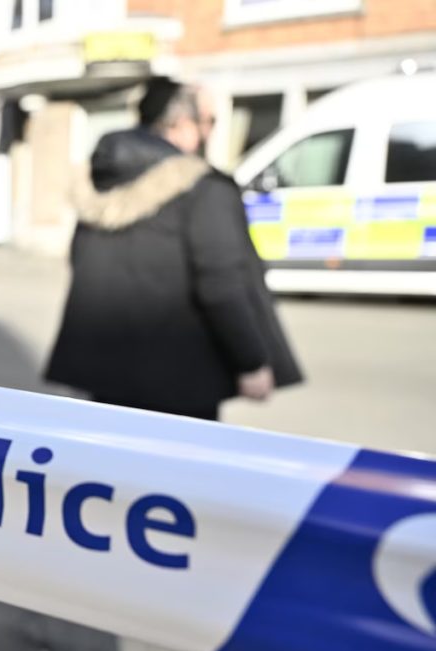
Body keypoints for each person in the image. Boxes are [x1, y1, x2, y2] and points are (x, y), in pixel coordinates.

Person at [45, 77, 302, 421]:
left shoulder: (100, 180)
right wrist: (252, 362)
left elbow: (80, 260)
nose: (211, 131)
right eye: (210, 120)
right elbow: (222, 285)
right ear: (182, 125)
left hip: (104, 376)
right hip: (182, 384)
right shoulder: (203, 189)